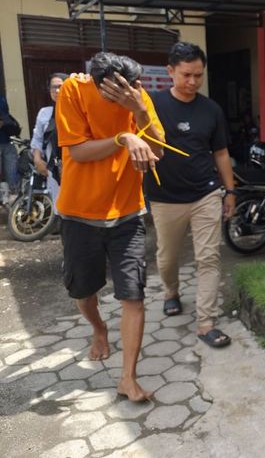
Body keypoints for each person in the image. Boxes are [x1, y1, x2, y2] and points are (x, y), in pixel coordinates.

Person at [56, 52, 165, 402]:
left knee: (134, 296)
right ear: (98, 83)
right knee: (83, 293)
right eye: (116, 91)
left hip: (128, 214)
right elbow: (78, 151)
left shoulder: (137, 96)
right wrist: (123, 138)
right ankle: (99, 328)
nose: (124, 95)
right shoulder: (74, 90)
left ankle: (127, 379)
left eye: (130, 88)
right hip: (79, 215)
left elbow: (159, 149)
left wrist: (140, 111)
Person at [143, 42, 235, 348]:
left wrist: (229, 191)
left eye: (198, 75)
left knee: (208, 258)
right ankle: (171, 291)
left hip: (205, 194)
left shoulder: (211, 110)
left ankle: (206, 322)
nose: (193, 81)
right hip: (165, 197)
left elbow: (221, 153)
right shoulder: (152, 105)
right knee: (167, 258)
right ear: (170, 71)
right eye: (186, 75)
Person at [30, 73, 68, 211]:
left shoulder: (79, 110)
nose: (57, 91)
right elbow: (38, 138)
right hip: (54, 166)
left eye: (60, 86)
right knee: (58, 204)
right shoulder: (45, 113)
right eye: (53, 87)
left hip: (75, 164)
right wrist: (37, 159)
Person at [0, 92, 21, 194]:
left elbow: (6, 116)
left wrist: (5, 122)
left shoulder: (1, 99)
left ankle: (14, 197)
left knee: (12, 175)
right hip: (6, 142)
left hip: (7, 142)